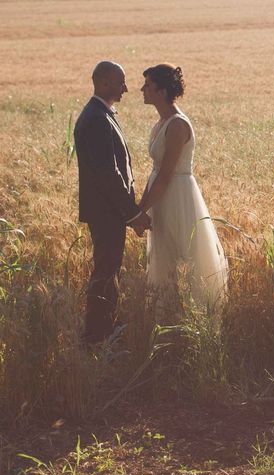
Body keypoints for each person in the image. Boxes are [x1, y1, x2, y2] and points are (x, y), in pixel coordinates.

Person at [138, 63, 228, 316]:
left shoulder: (177, 125)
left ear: (162, 91)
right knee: (163, 259)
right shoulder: (160, 122)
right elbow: (156, 173)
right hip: (161, 195)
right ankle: (166, 318)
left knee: (191, 259)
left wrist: (140, 210)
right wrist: (141, 206)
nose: (142, 89)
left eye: (148, 85)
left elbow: (166, 175)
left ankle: (201, 317)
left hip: (177, 196)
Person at [74, 61, 152, 344]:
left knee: (108, 271)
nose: (126, 89)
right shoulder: (96, 118)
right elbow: (109, 173)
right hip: (106, 212)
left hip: (107, 211)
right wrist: (132, 214)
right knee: (105, 273)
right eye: (121, 83)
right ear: (105, 83)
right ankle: (96, 338)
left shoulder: (99, 114)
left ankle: (103, 333)